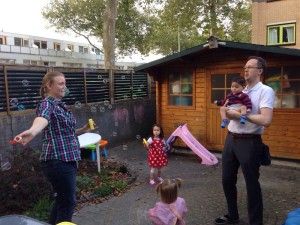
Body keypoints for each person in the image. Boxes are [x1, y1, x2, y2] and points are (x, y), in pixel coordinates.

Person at [13, 71, 91, 225]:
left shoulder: (59, 105)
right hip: (58, 160)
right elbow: (42, 119)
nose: (64, 86)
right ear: (49, 85)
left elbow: (64, 133)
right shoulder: (47, 104)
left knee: (62, 199)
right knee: (68, 202)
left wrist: (82, 130)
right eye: (60, 83)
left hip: (67, 159)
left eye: (64, 83)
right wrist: (33, 131)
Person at [214, 56, 275, 225]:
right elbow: (227, 107)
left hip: (250, 142)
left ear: (260, 71)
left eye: (250, 67)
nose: (245, 69)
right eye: (245, 67)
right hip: (231, 139)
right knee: (227, 180)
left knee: (251, 184)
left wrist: (241, 115)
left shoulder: (265, 91)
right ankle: (233, 216)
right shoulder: (240, 90)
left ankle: (256, 222)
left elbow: (266, 120)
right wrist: (225, 110)